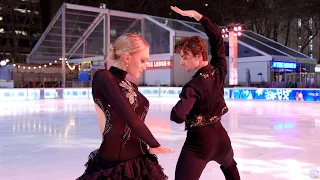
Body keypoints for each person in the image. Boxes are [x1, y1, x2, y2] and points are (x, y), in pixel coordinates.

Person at [77, 33, 173, 180]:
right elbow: (129, 116)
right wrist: (154, 143)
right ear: (127, 58)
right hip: (114, 166)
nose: (145, 66)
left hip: (141, 162)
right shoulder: (103, 77)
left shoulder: (132, 85)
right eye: (142, 60)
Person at [170, 6, 241, 180]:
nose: (181, 62)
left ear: (199, 55)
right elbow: (217, 36)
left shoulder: (193, 87)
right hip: (222, 138)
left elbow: (177, 116)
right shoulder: (219, 70)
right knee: (230, 167)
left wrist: (179, 107)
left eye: (185, 57)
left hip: (199, 143)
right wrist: (198, 16)